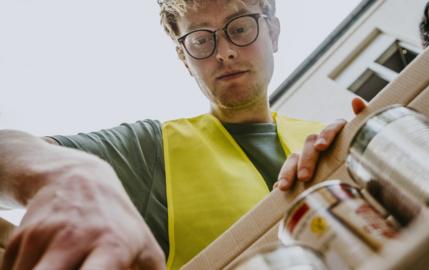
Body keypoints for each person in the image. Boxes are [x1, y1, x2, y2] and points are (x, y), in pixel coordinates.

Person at [0, 0, 366, 269]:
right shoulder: (151, 150)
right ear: (183, 58)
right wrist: (67, 172)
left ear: (272, 32)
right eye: (200, 41)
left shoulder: (329, 139)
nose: (224, 53)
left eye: (239, 28)